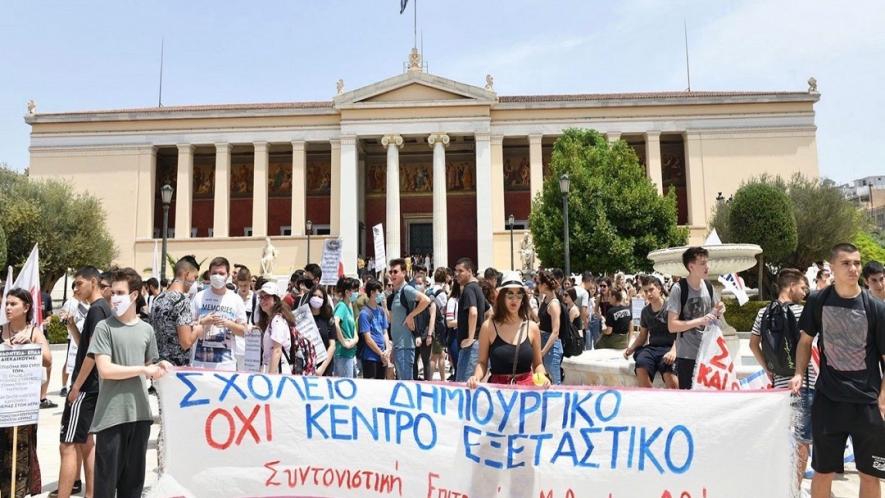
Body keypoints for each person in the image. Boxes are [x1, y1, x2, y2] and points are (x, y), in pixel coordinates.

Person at [791, 243, 885, 498]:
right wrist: (798, 373)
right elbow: (805, 341)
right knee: (823, 472)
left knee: (870, 474)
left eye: (857, 263)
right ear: (832, 267)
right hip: (828, 400)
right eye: (846, 263)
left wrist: (882, 400)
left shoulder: (876, 307)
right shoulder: (817, 301)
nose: (853, 268)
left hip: (866, 403)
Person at [88, 267, 170, 498]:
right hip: (111, 417)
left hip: (140, 416)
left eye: (120, 293)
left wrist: (161, 366)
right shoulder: (104, 328)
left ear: (134, 295)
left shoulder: (147, 330)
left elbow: (150, 366)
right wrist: (143, 369)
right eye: (113, 293)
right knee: (105, 488)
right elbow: (105, 370)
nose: (114, 298)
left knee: (133, 487)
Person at [748, 268, 812, 491]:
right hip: (804, 382)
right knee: (803, 439)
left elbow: (753, 344)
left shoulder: (763, 312)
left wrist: (768, 368)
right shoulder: (802, 312)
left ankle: (778, 485)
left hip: (779, 385)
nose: (804, 292)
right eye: (802, 287)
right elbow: (809, 344)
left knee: (781, 435)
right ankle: (794, 489)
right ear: (791, 286)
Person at [58, 266, 111, 498]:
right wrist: (71, 326)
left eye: (79, 283)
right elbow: (86, 346)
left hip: (86, 386)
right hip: (92, 385)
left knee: (68, 444)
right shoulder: (98, 309)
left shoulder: (97, 309)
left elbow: (93, 352)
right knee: (85, 442)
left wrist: (77, 386)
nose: (76, 288)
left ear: (93, 282)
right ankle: (91, 493)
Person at [1, 288, 51, 497]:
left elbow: (48, 360)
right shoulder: (0, 330)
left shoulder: (34, 332)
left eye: (13, 304)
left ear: (26, 307)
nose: (8, 307)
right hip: (2, 403)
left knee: (19, 454)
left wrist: (31, 346)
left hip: (22, 406)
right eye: (7, 303)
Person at [467, 272, 550, 388]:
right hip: (497, 392)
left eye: (519, 295)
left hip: (526, 392)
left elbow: (538, 364)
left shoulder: (532, 328)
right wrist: (476, 377)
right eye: (510, 295)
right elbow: (482, 362)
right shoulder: (488, 327)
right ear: (501, 297)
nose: (514, 300)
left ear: (523, 298)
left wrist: (544, 378)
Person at [667, 247, 725, 390]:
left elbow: (716, 311)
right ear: (691, 267)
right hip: (687, 355)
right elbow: (672, 326)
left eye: (707, 262)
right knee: (689, 397)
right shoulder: (679, 289)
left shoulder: (708, 286)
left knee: (708, 396)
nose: (707, 267)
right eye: (703, 263)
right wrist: (700, 321)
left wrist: (720, 309)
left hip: (709, 352)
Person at [190, 257, 247, 371]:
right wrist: (202, 322)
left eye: (221, 273)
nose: (217, 276)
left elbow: (244, 331)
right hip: (199, 364)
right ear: (209, 274)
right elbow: (188, 326)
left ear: (228, 275)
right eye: (214, 273)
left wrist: (228, 324)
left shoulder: (236, 299)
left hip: (226, 365)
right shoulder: (199, 297)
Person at [624, 276, 677, 388]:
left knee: (668, 371)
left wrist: (674, 351)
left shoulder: (671, 307)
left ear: (659, 289)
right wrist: (631, 348)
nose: (648, 294)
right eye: (646, 291)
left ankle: (676, 398)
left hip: (669, 348)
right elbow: (642, 336)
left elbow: (681, 334)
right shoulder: (645, 311)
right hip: (653, 348)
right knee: (641, 363)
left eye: (651, 290)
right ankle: (649, 396)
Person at [151, 256, 200, 367]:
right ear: (187, 275)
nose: (194, 281)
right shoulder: (181, 301)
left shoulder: (158, 298)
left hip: (158, 365)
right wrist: (197, 330)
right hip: (176, 368)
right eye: (195, 277)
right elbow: (186, 343)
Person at [388, 258, 430, 380]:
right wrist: (393, 348)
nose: (392, 275)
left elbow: (426, 300)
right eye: (391, 272)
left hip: (405, 346)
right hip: (399, 346)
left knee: (406, 383)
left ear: (404, 273)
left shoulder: (406, 289)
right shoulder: (396, 292)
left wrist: (411, 315)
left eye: (395, 272)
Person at [455, 258, 486, 382]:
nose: (457, 274)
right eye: (456, 271)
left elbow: (473, 313)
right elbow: (490, 312)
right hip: (478, 343)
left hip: (471, 347)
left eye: (460, 271)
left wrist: (470, 338)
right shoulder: (477, 288)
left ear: (470, 271)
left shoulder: (469, 289)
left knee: (464, 385)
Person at [254, 282, 292, 374]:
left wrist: (270, 377)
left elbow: (277, 350)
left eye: (266, 297)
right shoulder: (272, 320)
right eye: (261, 297)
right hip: (273, 369)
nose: (262, 300)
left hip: (277, 371)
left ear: (275, 300)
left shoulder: (277, 320)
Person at [536, 270, 564, 385]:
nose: (537, 285)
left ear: (544, 285)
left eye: (538, 283)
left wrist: (543, 352)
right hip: (543, 342)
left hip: (551, 347)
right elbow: (543, 322)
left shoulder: (554, 304)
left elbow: (555, 332)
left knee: (554, 383)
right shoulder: (545, 300)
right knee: (542, 381)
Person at [359, 280, 390, 379]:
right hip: (370, 357)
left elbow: (385, 332)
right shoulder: (364, 313)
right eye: (379, 291)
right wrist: (381, 354)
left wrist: (387, 349)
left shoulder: (381, 310)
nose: (381, 294)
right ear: (372, 292)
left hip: (383, 356)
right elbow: (368, 339)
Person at [307, 285, 336, 376]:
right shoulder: (303, 317)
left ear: (324, 300)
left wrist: (322, 368)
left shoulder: (328, 318)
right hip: (306, 367)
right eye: (314, 295)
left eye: (320, 297)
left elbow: (332, 345)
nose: (317, 298)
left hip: (324, 368)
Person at [426, 268, 449, 381]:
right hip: (438, 326)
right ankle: (438, 380)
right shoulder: (442, 293)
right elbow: (444, 310)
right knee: (436, 355)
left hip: (428, 324)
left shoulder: (428, 290)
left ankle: (439, 379)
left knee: (439, 354)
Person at [333, 277, 358, 378]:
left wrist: (355, 340)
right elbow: (335, 323)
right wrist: (344, 342)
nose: (357, 293)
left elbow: (354, 328)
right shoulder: (342, 306)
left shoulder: (349, 307)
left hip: (350, 353)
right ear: (347, 292)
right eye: (355, 290)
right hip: (342, 354)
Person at [445, 280, 461, 381]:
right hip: (455, 336)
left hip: (464, 335)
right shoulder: (452, 301)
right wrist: (465, 321)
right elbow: (449, 322)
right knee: (458, 368)